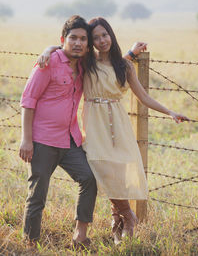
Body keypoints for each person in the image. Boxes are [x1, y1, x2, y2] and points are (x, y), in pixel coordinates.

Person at [38, 17, 188, 245]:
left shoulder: (125, 65)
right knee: (102, 171)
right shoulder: (86, 61)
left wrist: (170, 112)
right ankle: (129, 216)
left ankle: (116, 223)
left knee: (116, 172)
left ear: (111, 35)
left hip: (118, 125)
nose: (101, 40)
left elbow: (143, 96)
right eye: (95, 37)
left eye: (104, 35)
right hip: (94, 125)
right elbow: (64, 48)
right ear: (91, 42)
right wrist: (48, 49)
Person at [19, 15, 97, 249]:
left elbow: (111, 61)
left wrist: (132, 53)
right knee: (38, 194)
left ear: (87, 44)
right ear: (63, 39)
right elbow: (28, 100)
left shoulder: (85, 64)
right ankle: (30, 244)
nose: (78, 43)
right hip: (43, 140)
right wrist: (26, 140)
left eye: (83, 39)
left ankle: (80, 236)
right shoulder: (48, 63)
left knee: (89, 179)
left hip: (71, 139)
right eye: (73, 38)